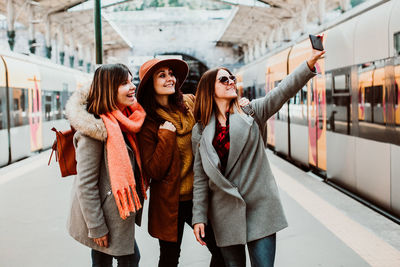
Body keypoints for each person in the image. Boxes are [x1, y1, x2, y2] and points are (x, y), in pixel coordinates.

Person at [191, 48, 325, 267]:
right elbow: (200, 179)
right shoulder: (200, 131)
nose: (231, 82)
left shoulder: (252, 113)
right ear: (209, 90)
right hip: (224, 212)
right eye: (223, 79)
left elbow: (282, 92)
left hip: (260, 208)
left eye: (231, 78)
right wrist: (199, 217)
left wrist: (308, 65)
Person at [136, 58, 225, 267]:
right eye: (162, 75)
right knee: (169, 259)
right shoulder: (148, 122)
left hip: (200, 196)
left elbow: (219, 116)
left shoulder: (190, 103)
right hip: (170, 202)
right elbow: (154, 171)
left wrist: (240, 106)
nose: (170, 79)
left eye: (171, 73)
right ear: (151, 84)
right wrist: (166, 136)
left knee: (221, 250)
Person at [65, 63, 147, 267]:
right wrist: (96, 227)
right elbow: (85, 184)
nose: (132, 87)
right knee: (128, 259)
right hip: (105, 217)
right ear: (109, 89)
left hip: (118, 214)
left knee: (108, 260)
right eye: (123, 83)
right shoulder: (94, 130)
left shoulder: (125, 122)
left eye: (131, 81)